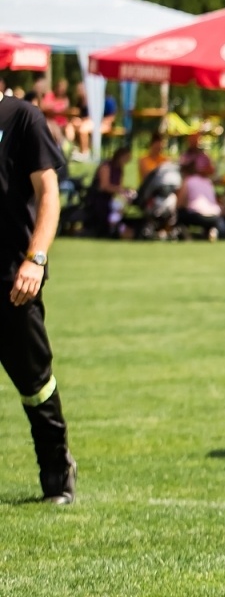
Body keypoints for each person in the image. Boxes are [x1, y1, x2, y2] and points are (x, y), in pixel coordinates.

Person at [0, 92, 76, 502]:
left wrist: (36, 259)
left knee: (35, 385)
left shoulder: (21, 117)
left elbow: (48, 192)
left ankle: (56, 471)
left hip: (12, 281)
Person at [87, 146, 133, 237]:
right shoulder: (106, 166)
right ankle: (114, 227)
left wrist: (125, 192)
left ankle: (116, 226)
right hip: (99, 198)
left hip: (111, 197)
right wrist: (120, 190)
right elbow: (104, 186)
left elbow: (119, 186)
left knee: (121, 204)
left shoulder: (120, 169)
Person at [177, 158, 225, 241]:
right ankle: (211, 231)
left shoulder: (188, 181)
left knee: (180, 213)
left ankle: (185, 234)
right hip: (215, 216)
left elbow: (180, 203)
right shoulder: (208, 182)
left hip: (198, 215)